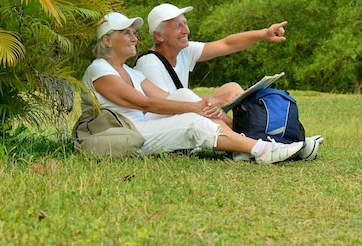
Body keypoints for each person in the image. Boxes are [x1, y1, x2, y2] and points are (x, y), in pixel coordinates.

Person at [81, 11, 312, 164]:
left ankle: (245, 145)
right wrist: (195, 109)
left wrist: (203, 104)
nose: (134, 38)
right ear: (107, 41)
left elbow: (168, 97)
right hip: (126, 132)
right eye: (126, 33)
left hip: (142, 125)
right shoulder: (99, 69)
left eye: (134, 32)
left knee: (184, 96)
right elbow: (143, 103)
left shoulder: (131, 72)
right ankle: (261, 149)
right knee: (191, 121)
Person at [134, 3, 324, 160]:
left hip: (186, 113)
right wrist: (206, 104)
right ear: (159, 35)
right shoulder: (149, 64)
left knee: (232, 88)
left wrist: (264, 34)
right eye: (177, 26)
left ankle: (250, 143)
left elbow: (227, 44)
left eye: (185, 23)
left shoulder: (184, 50)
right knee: (187, 95)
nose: (186, 30)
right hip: (165, 125)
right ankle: (257, 144)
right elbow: (164, 105)